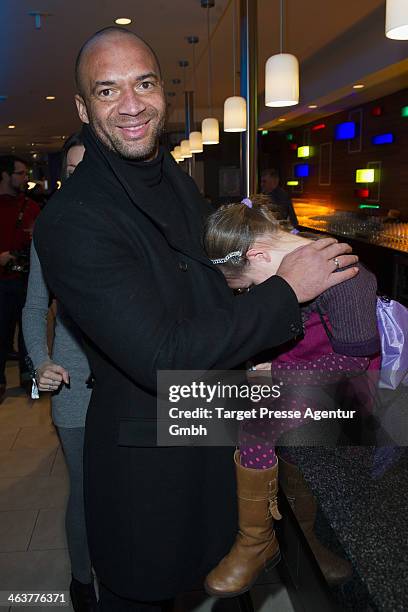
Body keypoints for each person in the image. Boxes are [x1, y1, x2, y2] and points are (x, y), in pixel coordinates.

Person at [33, 26, 358, 610]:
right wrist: (287, 290)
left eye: (145, 83)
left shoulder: (175, 183)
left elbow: (212, 283)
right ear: (83, 108)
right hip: (147, 460)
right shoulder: (74, 219)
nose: (132, 105)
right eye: (108, 92)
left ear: (162, 89)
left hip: (208, 421)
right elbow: (160, 354)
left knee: (225, 570)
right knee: (148, 590)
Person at [203, 197, 381, 595]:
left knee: (255, 423)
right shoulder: (292, 254)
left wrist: (279, 371)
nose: (254, 295)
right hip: (305, 381)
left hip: (344, 393)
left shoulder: (346, 279)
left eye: (248, 285)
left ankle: (257, 540)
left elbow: (354, 366)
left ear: (260, 254)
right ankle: (302, 542)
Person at [22, 134, 97, 612]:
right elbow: (33, 308)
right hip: (73, 385)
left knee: (127, 486)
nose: (80, 174)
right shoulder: (50, 229)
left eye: (88, 165)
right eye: (72, 168)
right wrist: (41, 361)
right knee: (85, 491)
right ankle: (81, 580)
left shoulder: (132, 225)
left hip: (129, 385)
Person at [0, 156, 40, 403]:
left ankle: (29, 380)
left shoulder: (32, 206)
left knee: (30, 333)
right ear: (5, 176)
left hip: (26, 279)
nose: (25, 179)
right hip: (2, 281)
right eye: (20, 173)